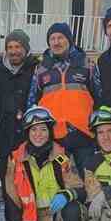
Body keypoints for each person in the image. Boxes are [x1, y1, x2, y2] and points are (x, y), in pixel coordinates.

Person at [3, 106, 86, 221]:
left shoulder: (61, 156)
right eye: (34, 130)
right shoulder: (16, 160)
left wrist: (66, 194)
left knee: (73, 210)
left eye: (43, 129)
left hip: (58, 212)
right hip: (34, 217)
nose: (38, 134)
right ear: (27, 133)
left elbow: (80, 188)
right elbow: (11, 200)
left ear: (50, 131)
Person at [27, 22, 101, 171]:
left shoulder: (88, 65)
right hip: (56, 137)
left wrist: (96, 126)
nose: (56, 42)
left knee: (88, 175)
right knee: (58, 174)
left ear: (69, 40)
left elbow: (99, 97)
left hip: (84, 135)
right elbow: (32, 101)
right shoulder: (41, 68)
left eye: (60, 37)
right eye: (52, 39)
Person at [0, 29, 40, 192]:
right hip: (4, 136)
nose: (14, 51)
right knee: (7, 185)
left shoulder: (36, 69)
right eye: (10, 47)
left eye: (18, 46)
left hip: (28, 136)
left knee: (28, 185)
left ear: (26, 49)